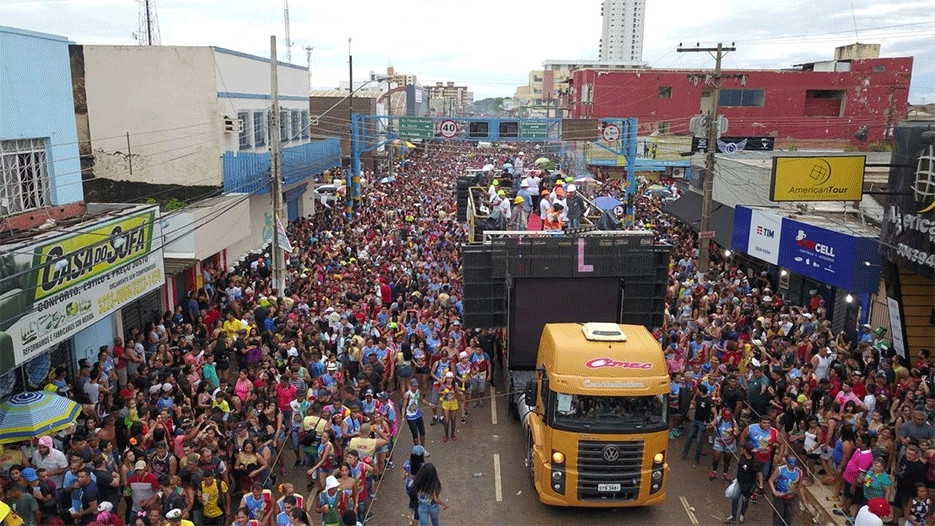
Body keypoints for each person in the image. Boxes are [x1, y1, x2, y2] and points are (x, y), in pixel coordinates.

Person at [681, 383, 714, 466]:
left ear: (701, 391)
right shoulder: (698, 397)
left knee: (699, 441)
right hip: (695, 420)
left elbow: (714, 413)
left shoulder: (709, 401)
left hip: (703, 423)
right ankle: (685, 453)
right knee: (689, 437)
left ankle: (696, 460)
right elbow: (694, 406)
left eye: (698, 390)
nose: (696, 391)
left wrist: (712, 422)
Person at [726, 443, 758, 523]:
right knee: (734, 497)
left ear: (745, 450)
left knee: (744, 500)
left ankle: (742, 514)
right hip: (739, 482)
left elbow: (759, 474)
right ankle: (733, 515)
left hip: (748, 485)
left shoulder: (754, 463)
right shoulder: (742, 457)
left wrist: (760, 486)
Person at [768, 455, 804, 526]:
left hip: (791, 498)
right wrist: (774, 491)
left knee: (789, 518)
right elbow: (771, 480)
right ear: (787, 463)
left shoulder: (799, 472)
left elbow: (800, 487)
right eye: (790, 465)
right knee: (778, 517)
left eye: (793, 466)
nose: (792, 467)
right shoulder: (780, 470)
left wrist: (804, 501)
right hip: (779, 497)